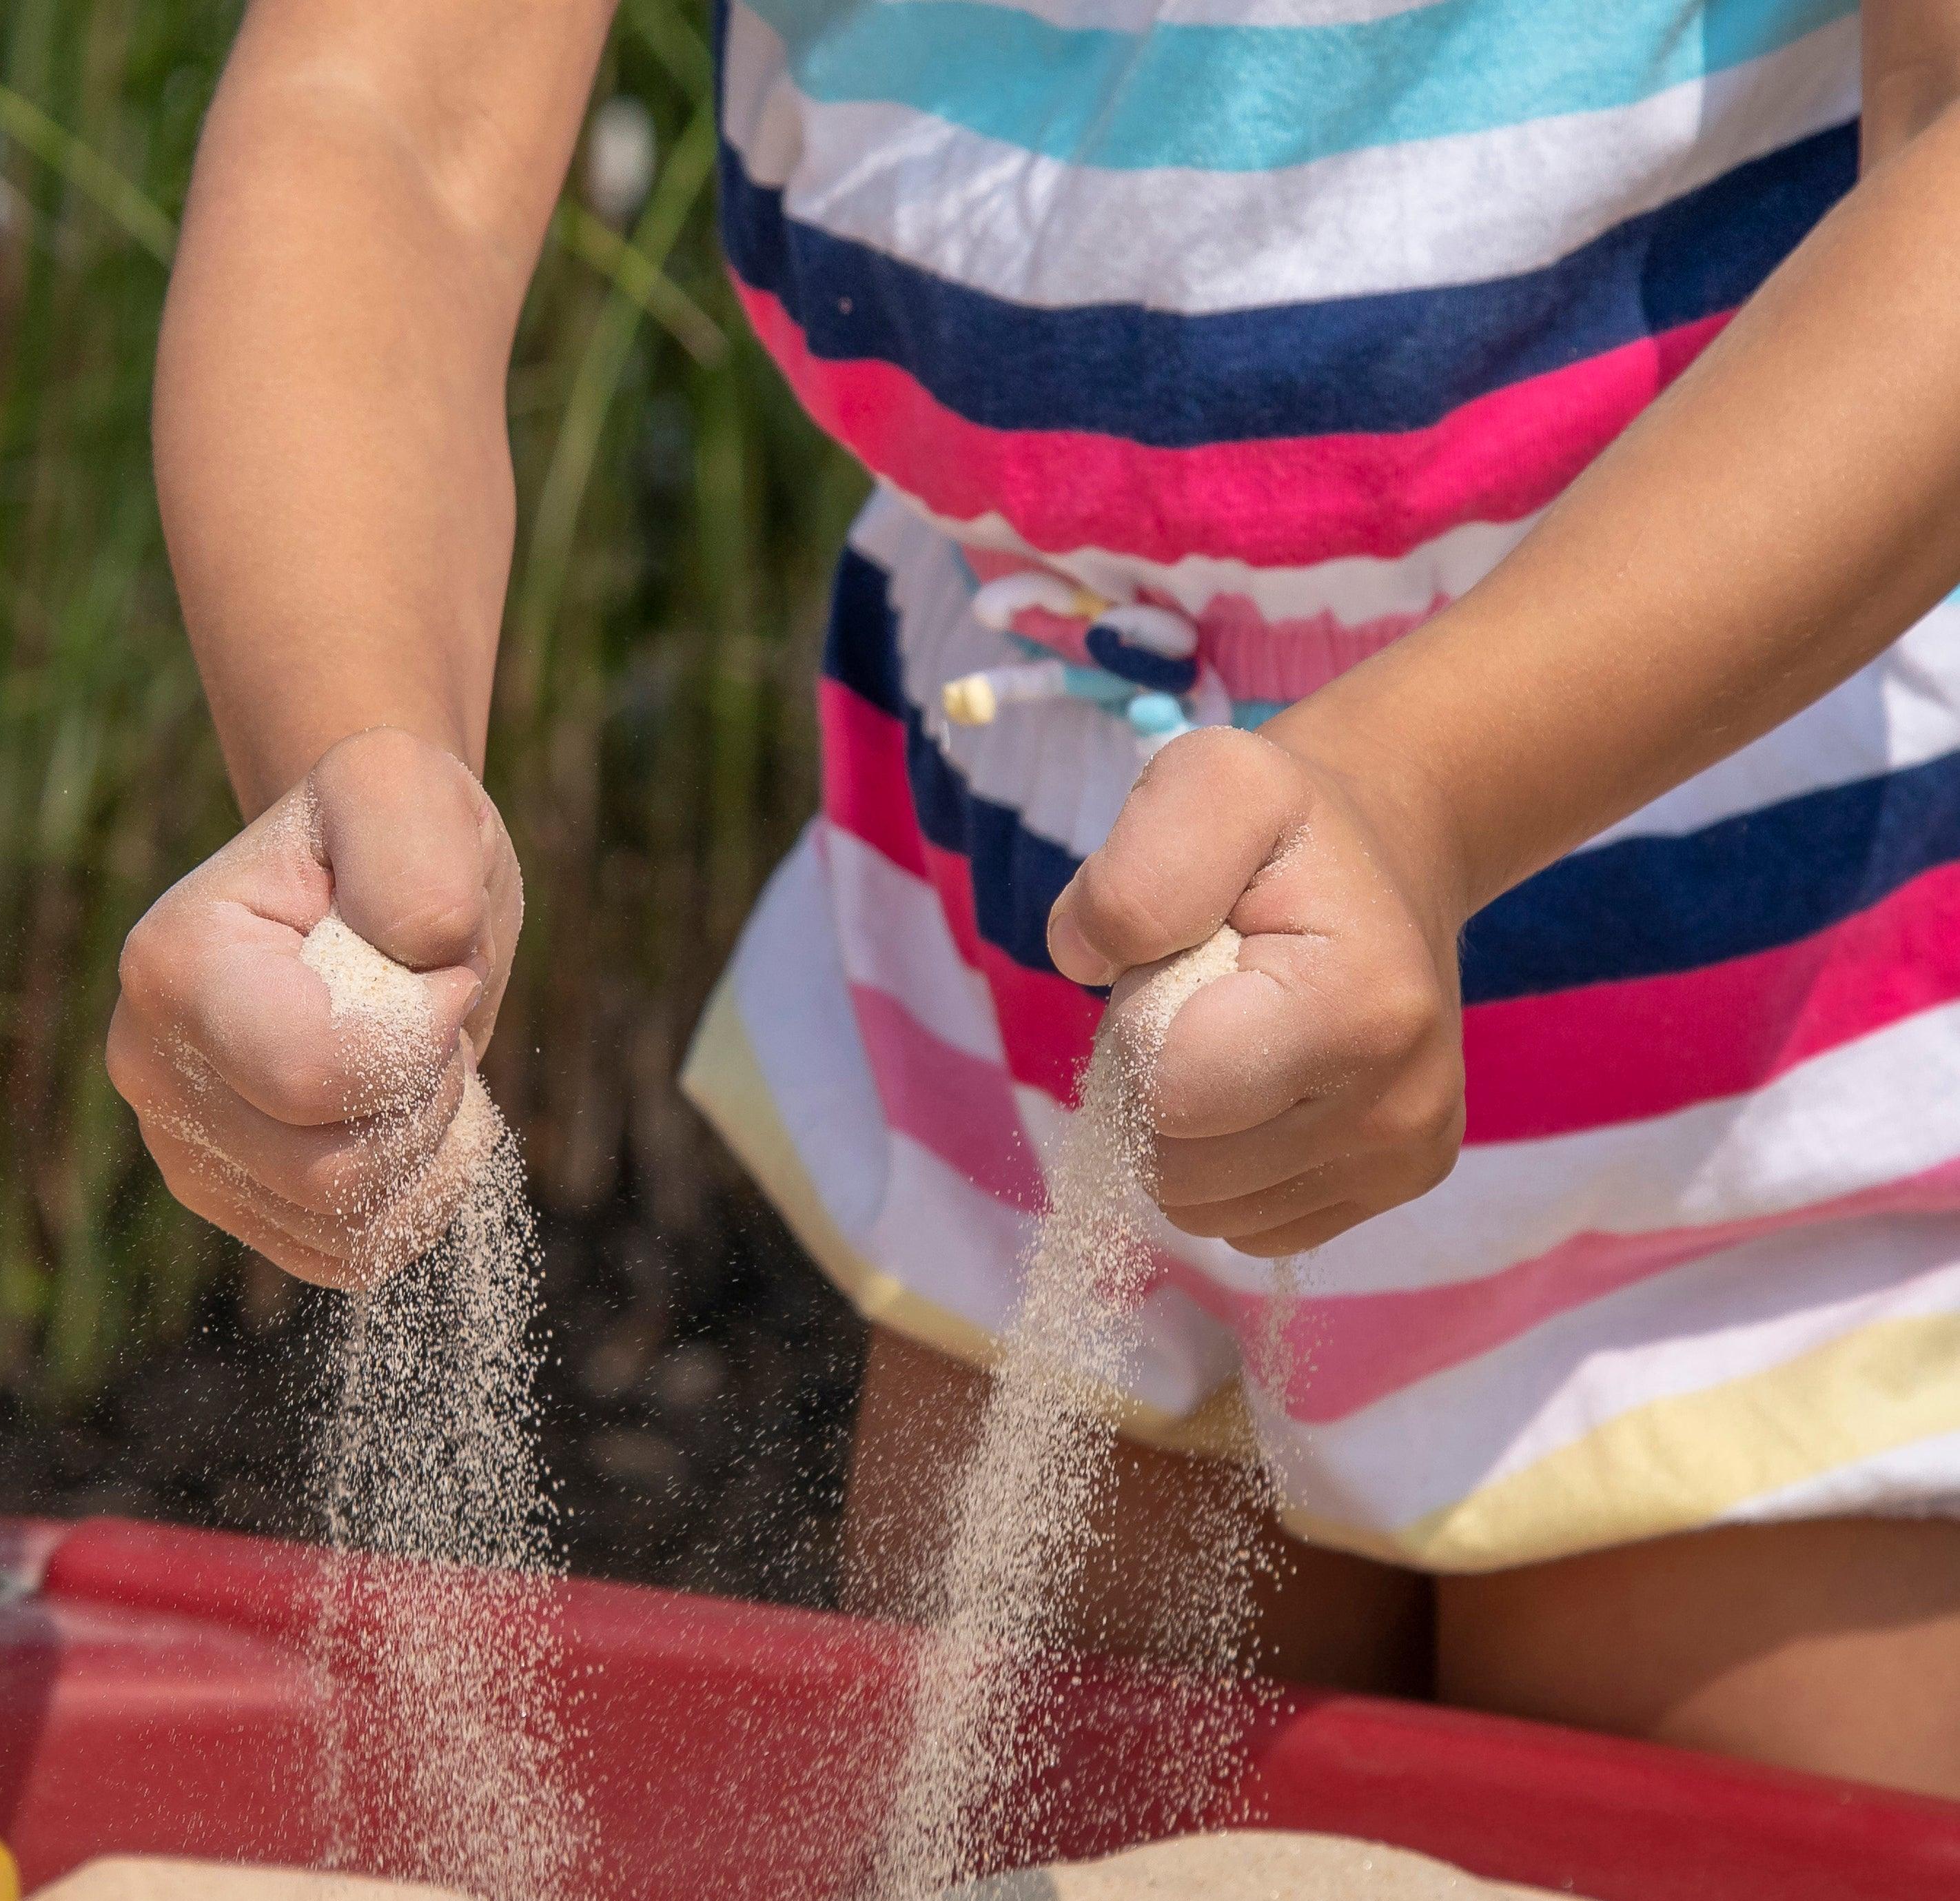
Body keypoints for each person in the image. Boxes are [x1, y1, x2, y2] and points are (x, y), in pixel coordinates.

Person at [108, 0, 1960, 1795]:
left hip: (1747, 947)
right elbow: (385, 121)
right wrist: (350, 737)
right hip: (1039, 925)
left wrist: (1426, 792)